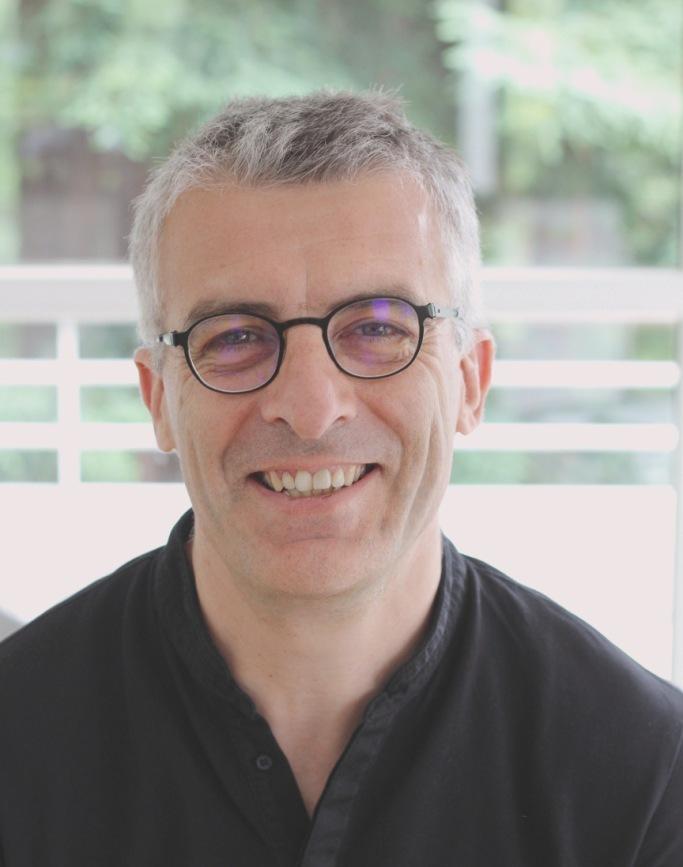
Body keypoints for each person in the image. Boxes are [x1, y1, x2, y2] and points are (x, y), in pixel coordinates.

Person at [0, 91, 681, 867]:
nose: (310, 409)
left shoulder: (642, 778)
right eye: (235, 337)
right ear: (158, 398)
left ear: (470, 380)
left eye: (377, 326)